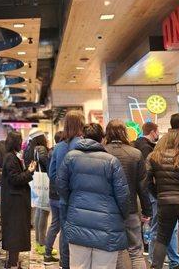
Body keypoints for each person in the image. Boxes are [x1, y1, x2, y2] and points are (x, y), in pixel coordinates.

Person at [57, 123, 130, 269]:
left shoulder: (70, 158)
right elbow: (123, 195)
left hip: (77, 220)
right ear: (102, 139)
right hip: (107, 224)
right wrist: (124, 215)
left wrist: (72, 202)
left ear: (82, 137)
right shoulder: (111, 161)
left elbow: (61, 187)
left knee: (78, 266)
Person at [105, 120, 152, 269]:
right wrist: (147, 210)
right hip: (131, 208)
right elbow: (142, 187)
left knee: (116, 251)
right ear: (124, 132)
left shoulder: (101, 152)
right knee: (136, 251)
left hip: (109, 210)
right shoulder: (136, 154)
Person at [48, 110, 85, 269]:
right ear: (81, 125)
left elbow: (52, 173)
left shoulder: (59, 148)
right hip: (81, 198)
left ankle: (65, 264)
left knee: (64, 233)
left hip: (63, 198)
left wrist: (63, 189)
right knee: (82, 234)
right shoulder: (84, 145)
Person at [147, 130, 179, 269]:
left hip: (165, 203)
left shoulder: (154, 156)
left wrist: (158, 194)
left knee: (162, 238)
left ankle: (156, 266)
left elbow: (146, 181)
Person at [1, 131, 37, 269]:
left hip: (14, 202)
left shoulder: (10, 157)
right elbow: (15, 179)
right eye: (20, 140)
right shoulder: (10, 158)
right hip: (14, 203)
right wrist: (29, 171)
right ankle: (12, 264)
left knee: (15, 233)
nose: (22, 143)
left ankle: (13, 262)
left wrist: (28, 171)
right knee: (15, 234)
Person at [24, 128, 50, 254]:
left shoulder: (28, 149)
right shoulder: (41, 149)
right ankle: (42, 243)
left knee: (39, 210)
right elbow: (47, 166)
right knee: (43, 211)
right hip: (43, 183)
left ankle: (38, 242)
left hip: (34, 183)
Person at [44, 131, 63, 264]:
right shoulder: (63, 152)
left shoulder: (51, 152)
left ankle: (47, 252)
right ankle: (64, 258)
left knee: (55, 224)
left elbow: (50, 173)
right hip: (61, 194)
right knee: (64, 226)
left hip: (52, 193)